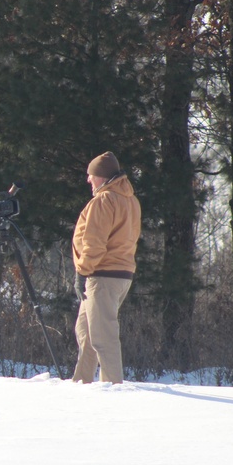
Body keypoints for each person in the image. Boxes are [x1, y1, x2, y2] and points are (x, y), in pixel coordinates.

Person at [71, 151, 141, 384]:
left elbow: (94, 243)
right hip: (120, 275)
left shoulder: (104, 200)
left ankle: (112, 387)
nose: (88, 180)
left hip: (101, 276)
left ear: (101, 176)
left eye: (91, 175)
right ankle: (82, 384)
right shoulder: (130, 200)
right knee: (86, 332)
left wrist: (82, 271)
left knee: (102, 336)